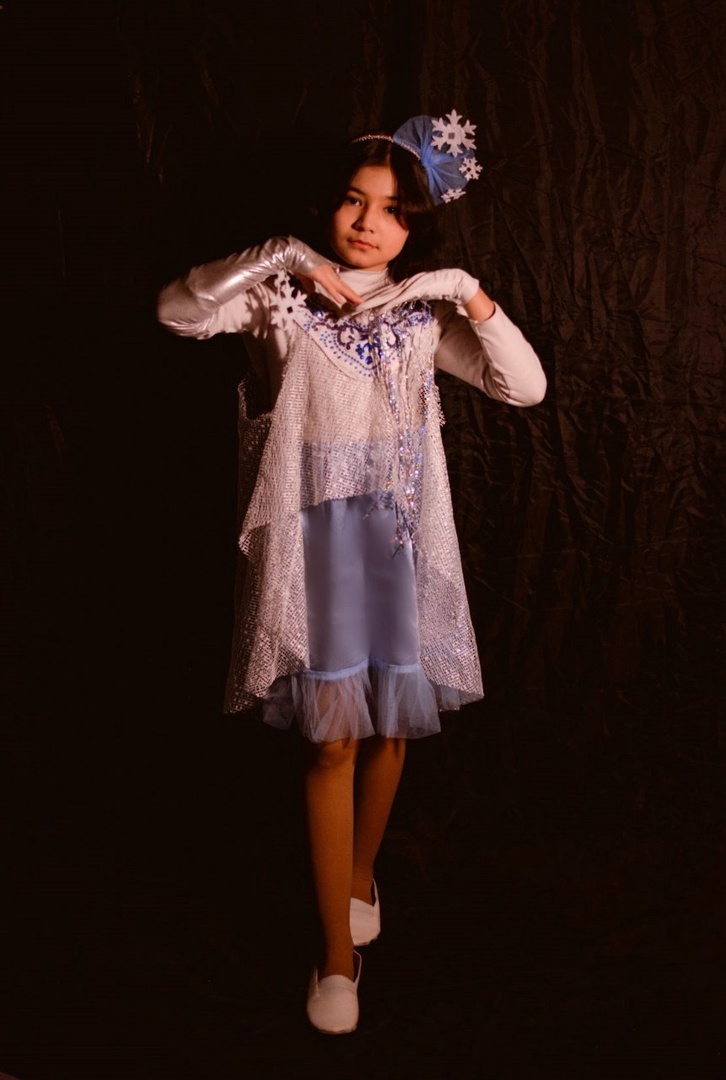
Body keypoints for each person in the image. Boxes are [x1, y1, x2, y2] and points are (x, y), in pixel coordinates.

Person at [157, 111, 546, 1034]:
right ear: (327, 206)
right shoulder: (279, 295)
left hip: (400, 532)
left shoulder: (419, 310)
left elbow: (524, 387)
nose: (369, 223)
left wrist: (468, 293)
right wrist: (277, 256)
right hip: (318, 539)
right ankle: (337, 954)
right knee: (331, 740)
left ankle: (362, 872)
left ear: (417, 227)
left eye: (394, 211)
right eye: (353, 201)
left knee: (392, 727)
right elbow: (177, 310)